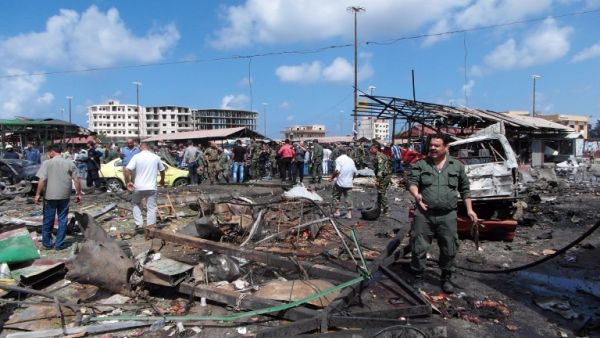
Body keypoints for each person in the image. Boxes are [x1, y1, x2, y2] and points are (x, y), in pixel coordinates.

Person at [407, 134, 478, 294]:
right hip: (424, 214)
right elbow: (412, 183)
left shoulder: (457, 166)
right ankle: (418, 276)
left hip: (448, 215)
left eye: (437, 145)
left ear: (446, 147)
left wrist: (469, 209)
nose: (432, 148)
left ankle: (446, 278)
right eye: (431, 145)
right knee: (419, 246)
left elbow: (465, 189)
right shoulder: (421, 164)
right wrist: (416, 194)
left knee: (449, 247)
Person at [34, 145, 82, 250]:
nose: (48, 155)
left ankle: (47, 244)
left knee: (48, 219)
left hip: (50, 196)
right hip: (64, 195)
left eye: (48, 153)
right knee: (62, 219)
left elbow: (42, 180)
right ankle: (59, 244)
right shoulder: (70, 163)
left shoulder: (47, 163)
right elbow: (77, 179)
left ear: (52, 152)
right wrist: (78, 193)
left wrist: (37, 194)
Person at [124, 142, 165, 231]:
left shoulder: (136, 157)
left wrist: (128, 182)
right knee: (151, 207)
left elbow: (126, 169)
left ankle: (139, 224)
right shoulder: (156, 157)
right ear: (149, 148)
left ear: (140, 148)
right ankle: (150, 226)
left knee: (135, 203)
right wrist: (162, 180)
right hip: (152, 187)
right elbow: (162, 170)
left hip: (138, 187)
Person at [331, 147, 357, 219]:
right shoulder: (351, 160)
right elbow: (355, 172)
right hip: (349, 183)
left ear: (339, 153)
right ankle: (349, 214)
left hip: (340, 182)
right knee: (349, 198)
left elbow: (337, 171)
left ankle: (337, 212)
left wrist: (332, 178)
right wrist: (352, 179)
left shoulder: (338, 159)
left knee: (336, 196)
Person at [371, 143, 392, 214]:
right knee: (381, 192)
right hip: (386, 176)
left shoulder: (379, 157)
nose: (371, 150)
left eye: (372, 149)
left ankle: (386, 208)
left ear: (376, 149)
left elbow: (381, 169)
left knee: (381, 192)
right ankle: (378, 207)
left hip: (383, 177)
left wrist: (378, 180)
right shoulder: (383, 155)